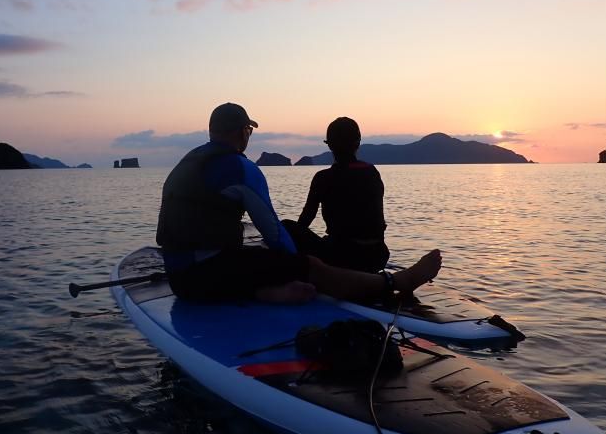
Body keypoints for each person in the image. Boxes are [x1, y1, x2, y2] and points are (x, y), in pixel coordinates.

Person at [156, 102, 441, 304]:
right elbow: (273, 234)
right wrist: (299, 266)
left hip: (181, 279)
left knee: (281, 240)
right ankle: (396, 282)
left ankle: (267, 292)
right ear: (243, 131)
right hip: (208, 277)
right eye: (249, 131)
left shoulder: (188, 162)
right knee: (309, 264)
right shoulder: (240, 168)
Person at [282, 117, 389, 273]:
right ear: (358, 142)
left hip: (340, 257)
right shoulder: (372, 172)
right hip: (377, 256)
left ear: (330, 145)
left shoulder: (323, 178)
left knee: (286, 226)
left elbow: (304, 221)